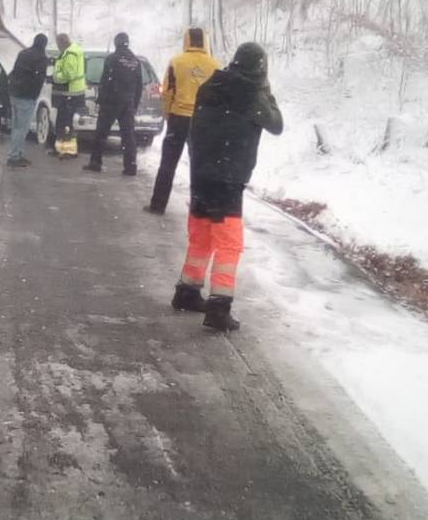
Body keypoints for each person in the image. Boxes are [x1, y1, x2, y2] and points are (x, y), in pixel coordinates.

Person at [172, 41, 283, 333]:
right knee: (229, 244)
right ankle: (219, 307)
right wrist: (265, 88)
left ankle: (187, 290)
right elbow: (276, 123)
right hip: (227, 178)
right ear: (260, 67)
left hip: (201, 172)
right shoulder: (252, 93)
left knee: (201, 237)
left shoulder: (211, 84)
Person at [145, 27, 219, 214]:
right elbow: (219, 96)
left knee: (168, 163)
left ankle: (158, 204)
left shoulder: (177, 62)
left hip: (179, 118)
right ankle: (200, 207)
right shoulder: (215, 65)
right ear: (204, 42)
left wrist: (168, 114)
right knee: (200, 164)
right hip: (203, 121)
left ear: (186, 41)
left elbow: (168, 92)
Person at [83, 32, 143, 177]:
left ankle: (95, 162)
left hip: (111, 102)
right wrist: (134, 104)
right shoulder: (136, 61)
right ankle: (131, 166)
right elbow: (139, 86)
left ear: (116, 43)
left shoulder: (112, 59)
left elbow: (105, 82)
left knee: (101, 133)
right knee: (128, 136)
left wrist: (100, 100)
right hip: (127, 103)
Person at [5, 33, 49, 168]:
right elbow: (39, 80)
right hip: (26, 96)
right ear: (44, 44)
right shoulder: (42, 58)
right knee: (22, 128)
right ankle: (14, 157)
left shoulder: (23, 53)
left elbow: (14, 71)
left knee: (16, 126)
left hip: (14, 94)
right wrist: (34, 96)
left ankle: (16, 153)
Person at [50, 34, 87, 157]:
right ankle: (60, 149)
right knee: (62, 121)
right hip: (68, 94)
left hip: (70, 93)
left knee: (66, 122)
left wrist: (56, 76)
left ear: (62, 43)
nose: (58, 47)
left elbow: (69, 75)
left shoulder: (71, 54)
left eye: (58, 44)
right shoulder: (70, 51)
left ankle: (69, 151)